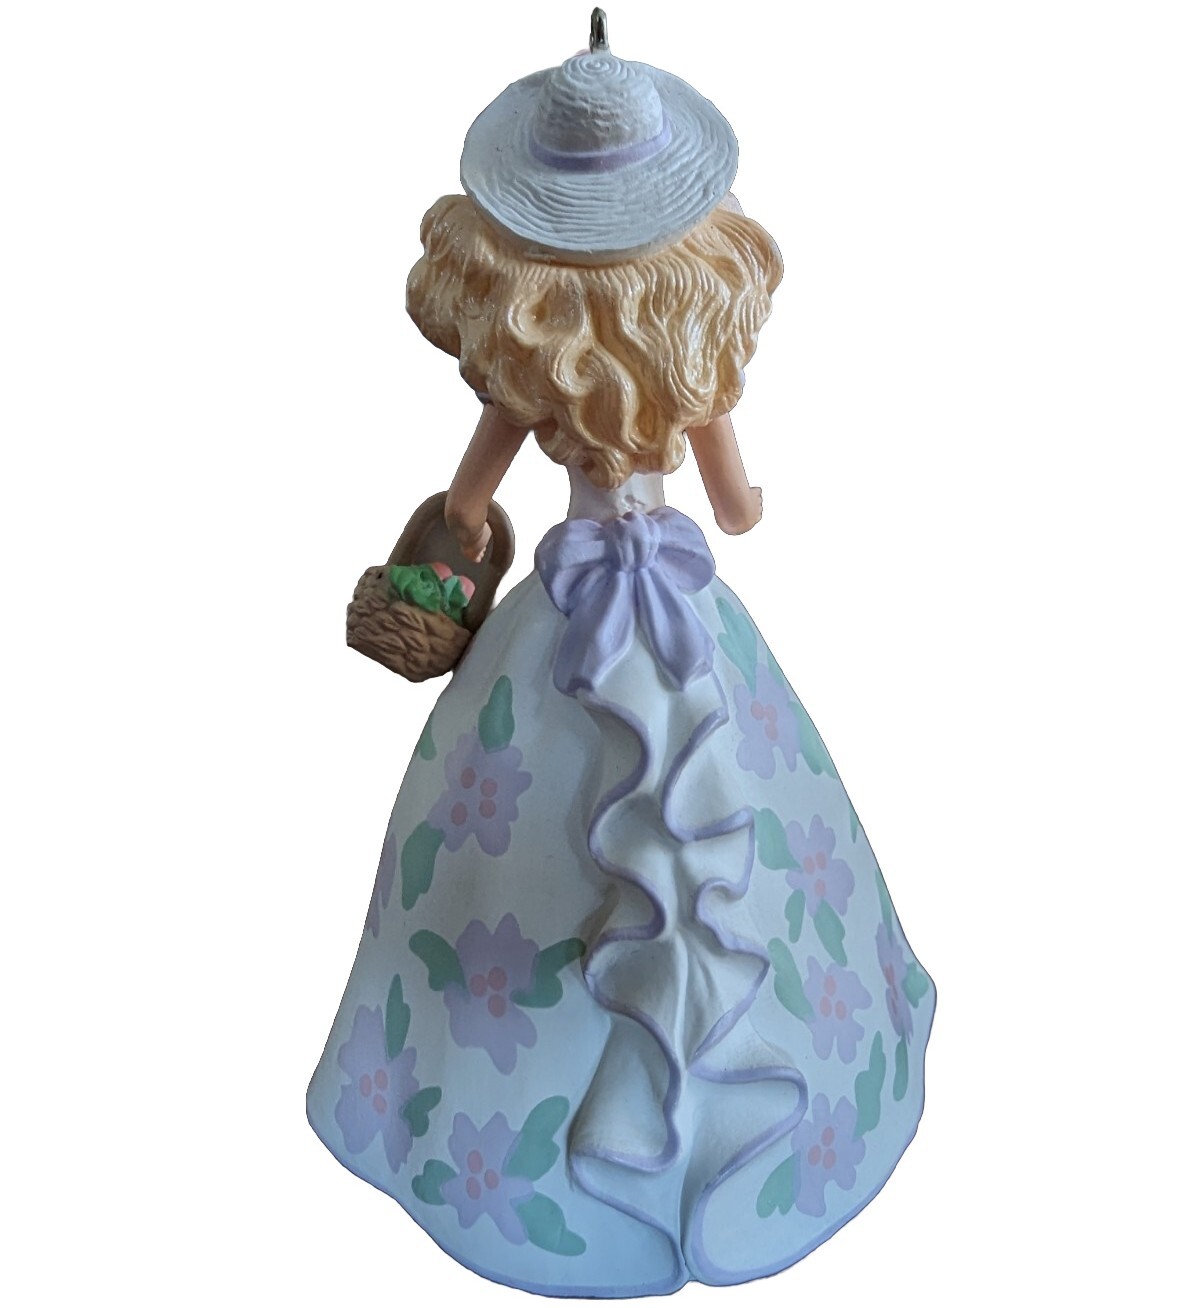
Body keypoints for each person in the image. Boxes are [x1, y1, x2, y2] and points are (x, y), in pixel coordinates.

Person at [307, 21, 934, 1296]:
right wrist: (745, 503)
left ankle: (545, 1113)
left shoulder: (530, 378)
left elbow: (467, 503)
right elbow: (738, 509)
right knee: (712, 839)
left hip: (562, 618)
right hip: (685, 630)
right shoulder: (690, 376)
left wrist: (453, 548)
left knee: (531, 842)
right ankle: (711, 1096)